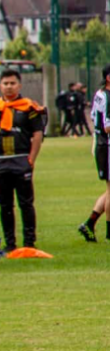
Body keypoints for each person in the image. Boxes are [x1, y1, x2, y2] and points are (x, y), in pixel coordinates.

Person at [0, 67, 46, 251]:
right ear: (0, 86)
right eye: (5, 83)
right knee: (5, 205)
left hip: (21, 161)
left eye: (12, 83)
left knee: (26, 203)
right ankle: (10, 243)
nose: (9, 87)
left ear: (19, 85)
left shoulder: (29, 107)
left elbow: (37, 133)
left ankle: (29, 242)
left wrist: (31, 158)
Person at [79, 66, 110, 241]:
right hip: (107, 145)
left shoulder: (100, 94)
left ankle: (89, 224)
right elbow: (107, 127)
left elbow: (94, 117)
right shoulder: (107, 96)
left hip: (100, 143)